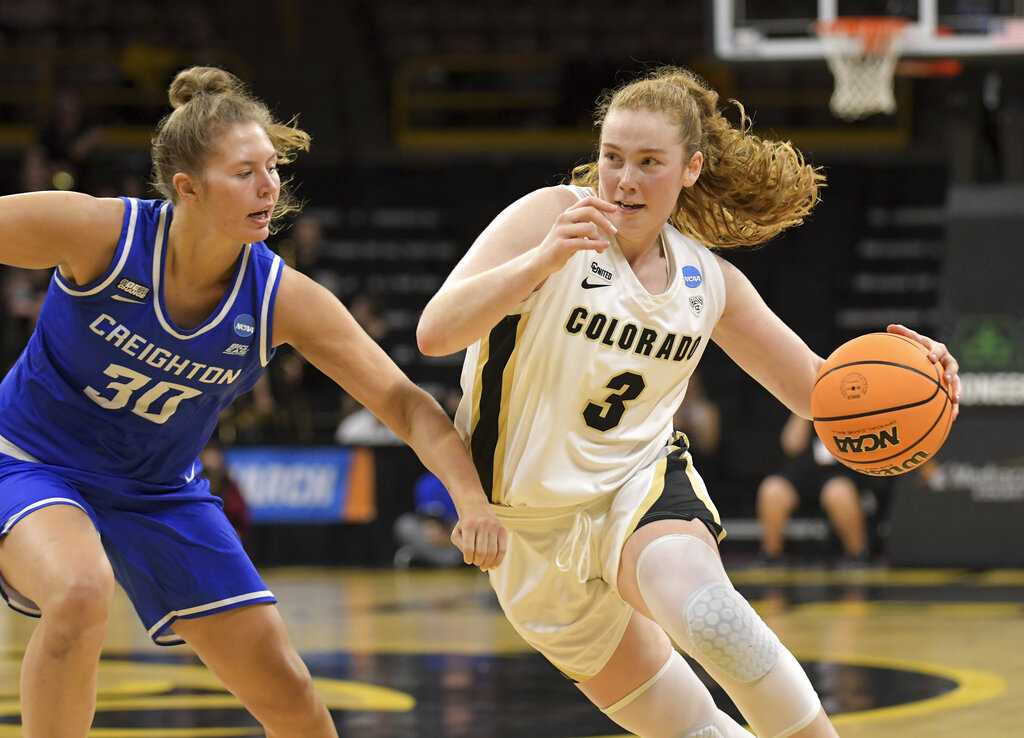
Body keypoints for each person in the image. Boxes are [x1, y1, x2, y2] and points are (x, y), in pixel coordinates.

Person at [418, 66, 961, 738]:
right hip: (524, 528)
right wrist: (540, 262)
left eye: (650, 163)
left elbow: (821, 394)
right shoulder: (550, 217)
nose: (623, 180)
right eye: (612, 158)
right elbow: (435, 332)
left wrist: (916, 376)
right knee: (694, 730)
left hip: (635, 489)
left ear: (690, 169)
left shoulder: (709, 282)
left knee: (711, 616)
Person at [0, 66, 506, 738]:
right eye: (245, 172)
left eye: (272, 167)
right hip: (30, 461)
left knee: (291, 694)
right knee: (80, 590)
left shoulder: (280, 298)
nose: (269, 186)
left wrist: (470, 501)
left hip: (157, 490)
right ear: (187, 188)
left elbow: (405, 404)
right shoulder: (101, 236)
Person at [757, 413, 869, 567]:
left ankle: (858, 555)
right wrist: (804, 411)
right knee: (772, 489)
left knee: (840, 492)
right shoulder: (798, 404)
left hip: (833, 473)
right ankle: (771, 555)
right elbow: (791, 446)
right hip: (797, 473)